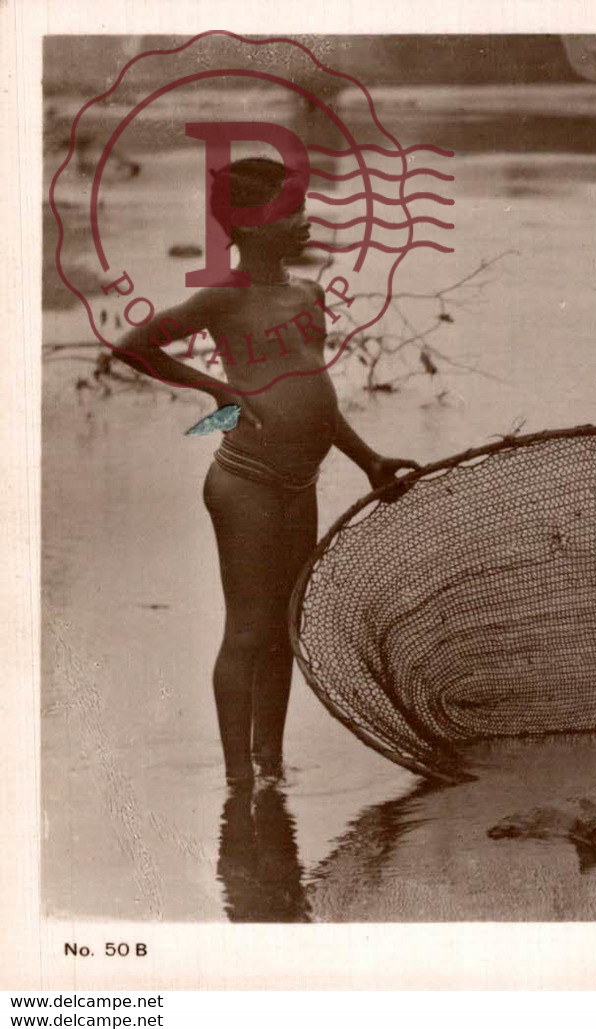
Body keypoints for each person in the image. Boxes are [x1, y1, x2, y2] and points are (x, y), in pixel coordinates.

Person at [111, 157, 419, 789]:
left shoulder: (307, 295)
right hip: (245, 481)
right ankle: (235, 783)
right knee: (248, 631)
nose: (305, 224)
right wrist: (217, 389)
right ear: (249, 228)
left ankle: (270, 770)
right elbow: (134, 344)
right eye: (290, 214)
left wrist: (369, 462)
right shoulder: (223, 296)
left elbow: (316, 395)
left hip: (297, 482)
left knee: (282, 631)